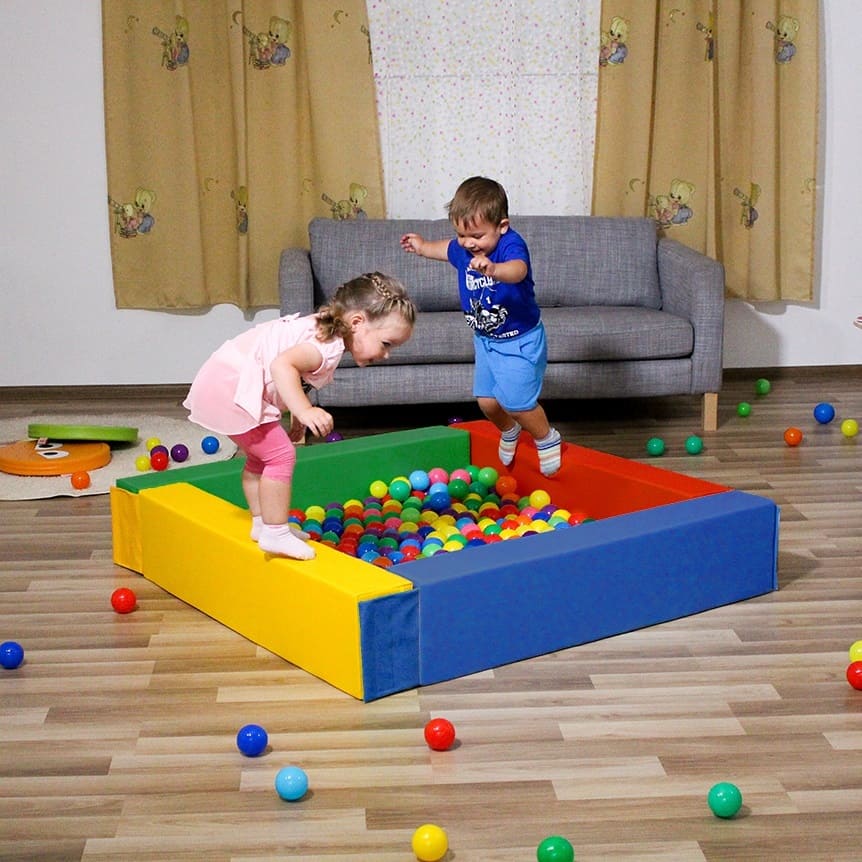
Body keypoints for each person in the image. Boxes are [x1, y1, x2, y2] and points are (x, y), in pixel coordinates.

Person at [183, 272, 416, 560]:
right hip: (230, 387)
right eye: (386, 344)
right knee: (280, 457)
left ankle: (262, 524)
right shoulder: (325, 347)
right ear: (357, 322)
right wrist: (304, 409)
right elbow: (282, 367)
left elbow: (287, 372)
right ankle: (275, 531)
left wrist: (295, 415)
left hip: (224, 381)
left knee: (260, 458)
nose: (387, 355)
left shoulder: (324, 330)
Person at [400, 176, 561, 475]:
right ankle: (509, 431)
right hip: (485, 340)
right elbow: (445, 248)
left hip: (519, 340)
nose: (468, 243)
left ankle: (546, 437)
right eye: (462, 235)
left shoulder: (510, 244)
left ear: (501, 226)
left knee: (517, 402)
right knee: (487, 402)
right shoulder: (463, 248)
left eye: (476, 236)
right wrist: (422, 247)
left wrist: (495, 269)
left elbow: (518, 270)